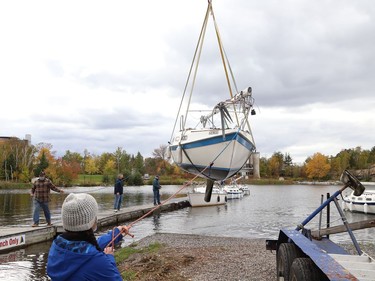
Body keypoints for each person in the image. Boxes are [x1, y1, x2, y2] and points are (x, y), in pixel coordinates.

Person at [47, 193, 129, 281]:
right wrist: (110, 257)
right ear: (91, 221)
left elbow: (88, 247)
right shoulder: (98, 262)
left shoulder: (57, 246)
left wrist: (116, 233)